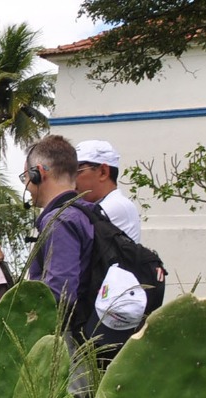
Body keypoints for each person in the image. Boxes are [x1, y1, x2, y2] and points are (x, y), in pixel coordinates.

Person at [24, 135, 96, 322]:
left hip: (67, 337)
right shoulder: (90, 211)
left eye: (26, 177)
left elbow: (59, 293)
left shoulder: (59, 220)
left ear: (38, 173)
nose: (26, 185)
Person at [75, 139, 142, 242]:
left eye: (76, 171)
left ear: (103, 172)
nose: (70, 178)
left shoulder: (116, 206)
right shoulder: (101, 204)